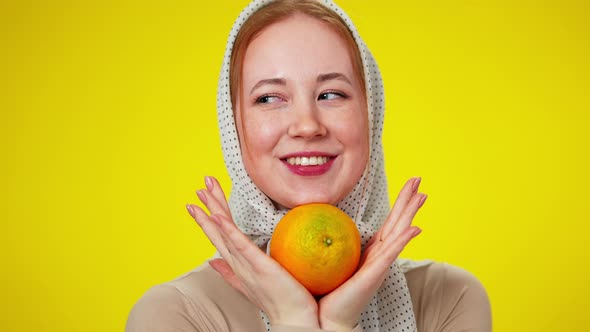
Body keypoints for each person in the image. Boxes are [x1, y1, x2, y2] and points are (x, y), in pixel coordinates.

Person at [126, 0, 491, 331]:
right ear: (233, 124)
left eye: (331, 94)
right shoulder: (174, 315)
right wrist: (294, 322)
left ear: (371, 113)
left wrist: (338, 324)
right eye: (269, 98)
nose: (307, 125)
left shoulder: (448, 299)